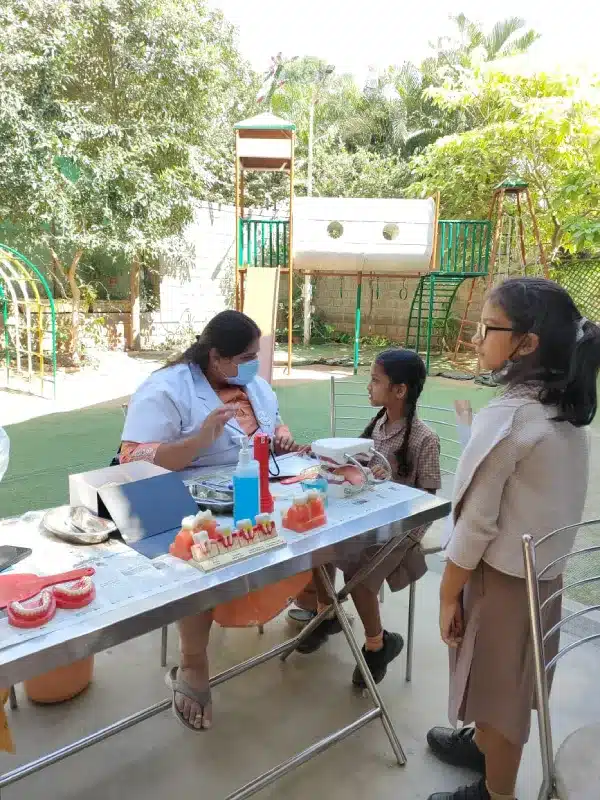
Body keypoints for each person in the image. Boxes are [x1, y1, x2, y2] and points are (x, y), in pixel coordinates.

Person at [426, 278, 600, 800]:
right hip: (542, 580)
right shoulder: (561, 411)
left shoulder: (510, 418)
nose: (476, 338)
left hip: (502, 583)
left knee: (500, 701)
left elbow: (475, 525)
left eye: (488, 327)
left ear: (526, 343)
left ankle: (496, 790)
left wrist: (447, 594)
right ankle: (483, 748)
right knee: (508, 685)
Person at [119, 309, 307, 732]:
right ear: (216, 357)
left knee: (314, 527)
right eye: (246, 357)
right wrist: (199, 440)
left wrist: (281, 435)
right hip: (188, 501)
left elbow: (272, 422)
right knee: (202, 560)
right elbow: (131, 457)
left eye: (255, 355)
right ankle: (192, 664)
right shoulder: (167, 389)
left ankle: (316, 607)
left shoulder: (253, 385)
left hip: (255, 490)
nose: (254, 364)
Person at [296, 349, 441, 687]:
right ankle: (327, 613)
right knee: (317, 547)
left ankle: (377, 644)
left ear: (399, 390)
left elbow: (429, 498)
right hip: (366, 518)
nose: (369, 386)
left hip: (403, 528)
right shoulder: (378, 424)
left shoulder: (424, 439)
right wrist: (319, 454)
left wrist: (396, 501)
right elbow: (355, 466)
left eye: (375, 380)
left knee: (359, 576)